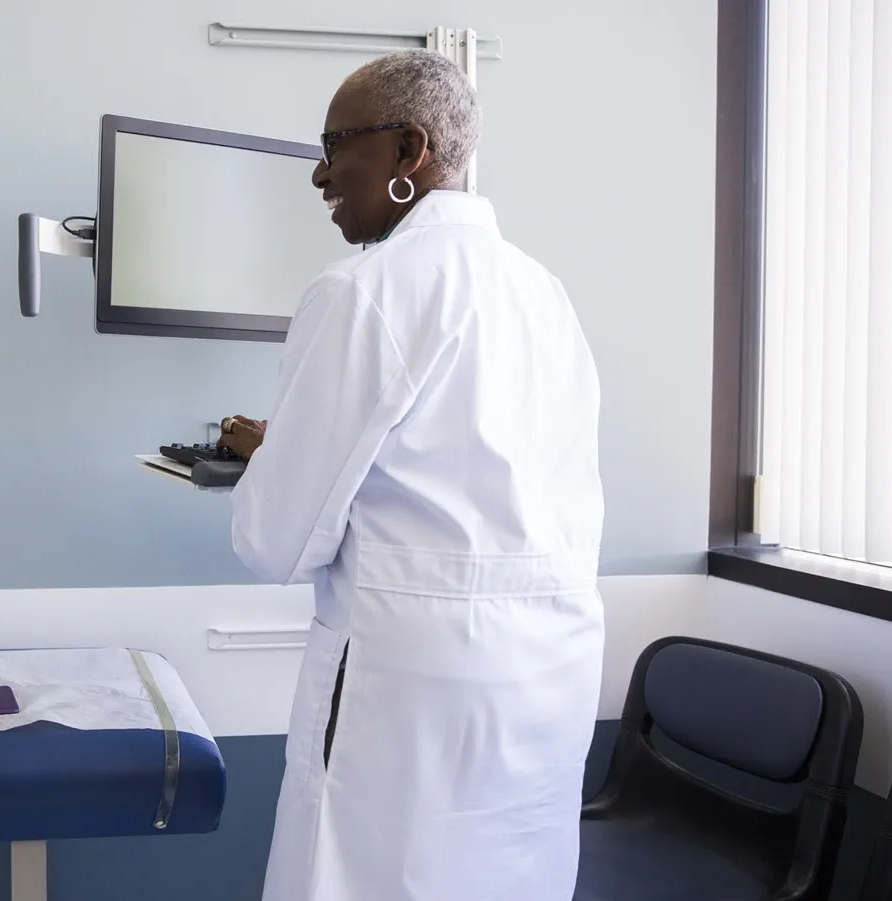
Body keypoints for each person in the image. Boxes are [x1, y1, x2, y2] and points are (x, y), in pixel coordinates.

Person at [217, 50, 604, 900]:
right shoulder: (547, 296)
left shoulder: (361, 291)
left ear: (409, 151)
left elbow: (274, 542)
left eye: (335, 145)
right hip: (548, 677)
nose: (320, 174)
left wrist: (276, 462)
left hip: (407, 682)